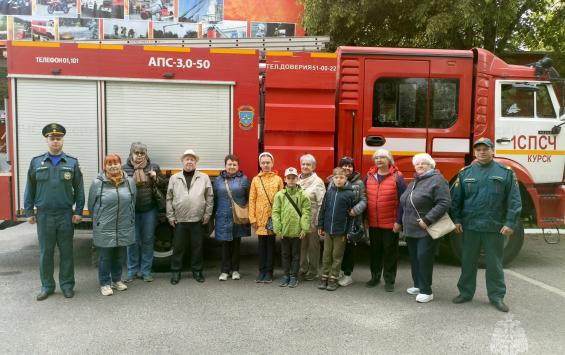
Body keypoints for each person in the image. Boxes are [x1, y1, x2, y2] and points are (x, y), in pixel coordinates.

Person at [451, 137, 522, 312]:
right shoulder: (465, 172)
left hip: (495, 227)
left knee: (495, 264)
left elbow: (514, 201)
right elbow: (456, 200)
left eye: (485, 149)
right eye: (478, 150)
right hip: (471, 226)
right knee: (468, 262)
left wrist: (510, 223)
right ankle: (466, 293)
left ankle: (497, 297)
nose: (482, 152)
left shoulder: (506, 172)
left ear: (493, 151)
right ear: (474, 152)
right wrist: (457, 220)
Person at [24, 123, 84, 301]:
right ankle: (47, 286)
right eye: (52, 138)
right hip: (44, 215)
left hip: (65, 214)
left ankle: (66, 285)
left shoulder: (72, 162)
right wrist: (28, 211)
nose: (55, 141)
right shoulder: (36, 162)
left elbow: (79, 189)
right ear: (46, 140)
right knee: (45, 253)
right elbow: (30, 188)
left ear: (62, 140)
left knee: (67, 252)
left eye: (58, 138)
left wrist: (78, 210)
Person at [399, 153, 451, 303]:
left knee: (424, 258)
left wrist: (428, 220)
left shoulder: (438, 180)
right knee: (415, 258)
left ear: (431, 165)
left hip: (426, 228)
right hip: (412, 228)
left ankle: (426, 290)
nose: (420, 166)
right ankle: (418, 285)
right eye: (417, 164)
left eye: (424, 163)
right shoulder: (416, 181)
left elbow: (444, 203)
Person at [88, 154, 136, 296]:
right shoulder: (98, 183)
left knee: (120, 255)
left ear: (121, 165)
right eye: (109, 163)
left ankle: (117, 280)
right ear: (105, 166)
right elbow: (91, 205)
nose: (113, 166)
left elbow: (133, 202)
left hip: (124, 225)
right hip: (104, 226)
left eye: (115, 163)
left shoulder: (130, 182)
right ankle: (104, 283)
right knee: (105, 257)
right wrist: (99, 221)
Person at [166, 149, 214, 285]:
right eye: (187, 159)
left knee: (197, 247)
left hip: (197, 219)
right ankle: (175, 272)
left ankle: (197, 271)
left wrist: (207, 214)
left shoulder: (204, 177)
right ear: (182, 161)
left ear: (196, 162)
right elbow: (169, 198)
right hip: (180, 220)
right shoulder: (174, 178)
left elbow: (209, 197)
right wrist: (170, 216)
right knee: (178, 247)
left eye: (192, 159)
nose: (189, 162)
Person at [122, 142, 167, 283]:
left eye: (142, 153)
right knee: (132, 241)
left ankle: (146, 271)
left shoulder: (153, 167)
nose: (140, 156)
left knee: (148, 240)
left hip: (149, 210)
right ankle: (132, 271)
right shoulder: (124, 169)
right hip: (131, 211)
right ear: (131, 154)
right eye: (137, 153)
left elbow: (165, 184)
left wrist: (156, 177)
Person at [364, 149, 406, 291]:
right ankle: (375, 277)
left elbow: (403, 201)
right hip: (373, 223)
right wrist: (365, 219)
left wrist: (399, 221)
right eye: (376, 158)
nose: (379, 160)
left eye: (382, 157)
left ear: (389, 160)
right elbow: (364, 199)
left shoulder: (397, 177)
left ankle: (389, 280)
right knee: (374, 251)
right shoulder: (369, 176)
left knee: (390, 252)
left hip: (390, 223)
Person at [213, 154, 251, 281]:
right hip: (223, 216)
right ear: (225, 166)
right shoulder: (218, 180)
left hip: (237, 217)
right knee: (224, 245)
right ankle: (224, 271)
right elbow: (214, 198)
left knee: (236, 244)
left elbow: (249, 197)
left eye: (234, 164)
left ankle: (235, 270)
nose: (232, 166)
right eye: (229, 164)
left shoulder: (244, 179)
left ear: (238, 166)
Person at [272, 167, 311, 288]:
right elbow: (276, 212)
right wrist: (278, 229)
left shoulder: (303, 194)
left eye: (293, 177)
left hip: (297, 232)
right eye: (289, 178)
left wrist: (304, 228)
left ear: (297, 179)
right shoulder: (280, 195)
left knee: (295, 255)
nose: (291, 180)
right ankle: (286, 275)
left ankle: (294, 276)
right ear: (285, 179)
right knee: (285, 254)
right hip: (284, 231)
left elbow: (306, 212)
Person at [317, 167, 355, 291]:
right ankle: (324, 277)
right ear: (332, 178)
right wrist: (321, 225)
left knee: (337, 256)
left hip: (341, 232)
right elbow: (323, 210)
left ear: (346, 178)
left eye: (342, 178)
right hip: (328, 230)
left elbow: (352, 216)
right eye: (336, 177)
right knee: (326, 254)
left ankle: (333, 278)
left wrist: (349, 231)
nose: (339, 180)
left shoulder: (350, 194)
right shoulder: (329, 192)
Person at [249, 152, 283, 283]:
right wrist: (252, 218)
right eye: (263, 162)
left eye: (268, 162)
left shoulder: (278, 180)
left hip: (272, 219)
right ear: (260, 164)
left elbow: (282, 201)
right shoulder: (256, 180)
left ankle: (269, 271)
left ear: (272, 163)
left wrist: (279, 218)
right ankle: (261, 271)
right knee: (261, 246)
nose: (265, 165)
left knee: (271, 245)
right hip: (260, 219)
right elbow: (252, 199)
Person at [335, 156, 367, 287]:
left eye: (350, 165)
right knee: (338, 248)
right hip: (338, 221)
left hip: (352, 221)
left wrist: (355, 210)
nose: (347, 168)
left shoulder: (359, 183)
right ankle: (338, 272)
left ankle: (347, 275)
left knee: (349, 248)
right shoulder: (334, 180)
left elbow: (364, 200)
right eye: (344, 165)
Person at [297, 154, 326, 281]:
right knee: (301, 244)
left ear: (313, 167)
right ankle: (303, 268)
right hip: (299, 218)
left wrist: (319, 222)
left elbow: (321, 203)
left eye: (308, 164)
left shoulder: (318, 182)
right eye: (303, 164)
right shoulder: (296, 179)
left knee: (313, 246)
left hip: (313, 217)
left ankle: (314, 270)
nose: (305, 166)